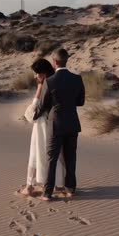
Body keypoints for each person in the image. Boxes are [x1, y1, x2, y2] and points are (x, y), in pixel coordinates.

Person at [33, 48, 85, 201]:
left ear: (55, 62)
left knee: (52, 158)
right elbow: (81, 102)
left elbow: (43, 104)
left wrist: (34, 115)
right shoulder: (77, 79)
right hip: (72, 123)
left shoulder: (50, 81)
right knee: (71, 157)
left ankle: (47, 193)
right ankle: (71, 188)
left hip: (55, 124)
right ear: (66, 60)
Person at [21, 58, 66, 196]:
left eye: (37, 73)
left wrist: (39, 88)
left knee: (37, 154)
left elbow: (30, 114)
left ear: (44, 73)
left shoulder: (45, 86)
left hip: (42, 127)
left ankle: (30, 186)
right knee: (55, 155)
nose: (35, 76)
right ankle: (58, 184)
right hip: (54, 125)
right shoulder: (58, 84)